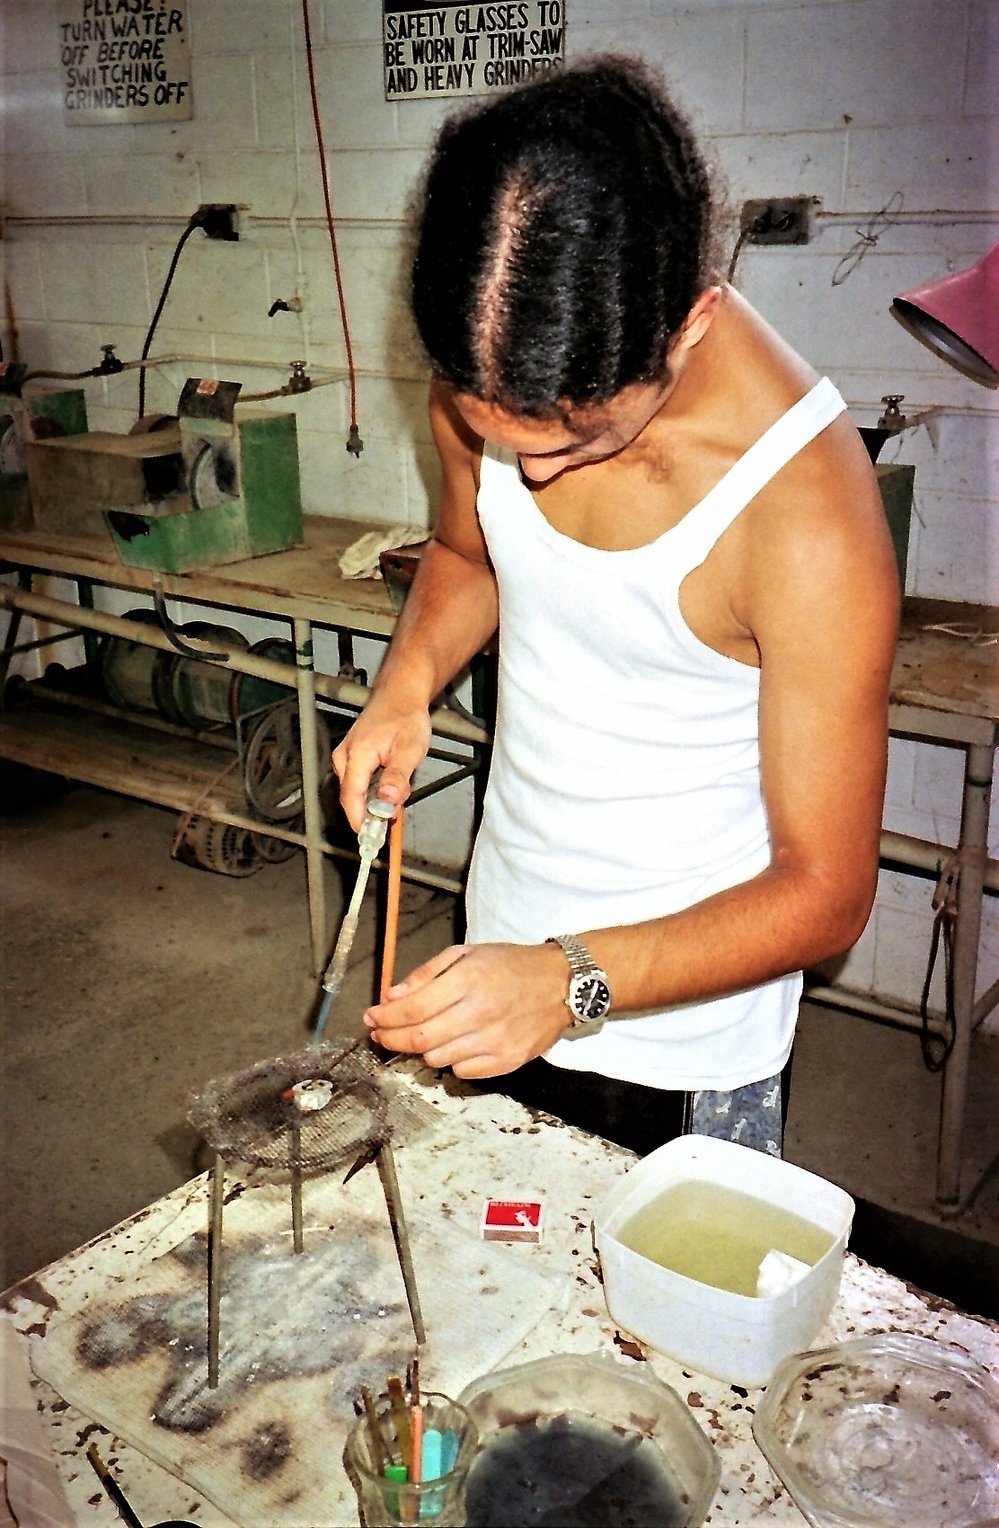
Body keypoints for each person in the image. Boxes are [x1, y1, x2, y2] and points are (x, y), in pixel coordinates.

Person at [332, 55, 899, 1157]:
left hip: (684, 1043)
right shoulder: (489, 364)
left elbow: (825, 892)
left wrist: (568, 981)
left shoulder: (803, 509)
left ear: (689, 325)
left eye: (579, 439)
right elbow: (469, 552)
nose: (534, 475)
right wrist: (405, 687)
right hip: (498, 966)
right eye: (503, 440)